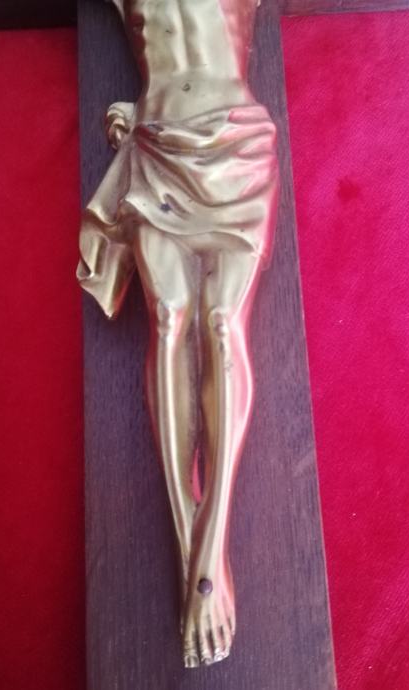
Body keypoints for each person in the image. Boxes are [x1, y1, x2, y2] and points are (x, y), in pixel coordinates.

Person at [77, 0, 278, 667]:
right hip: (158, 145)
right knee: (168, 318)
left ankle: (208, 555)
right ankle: (192, 543)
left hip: (236, 145)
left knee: (222, 323)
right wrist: (130, 114)